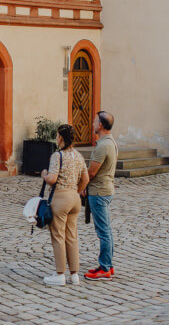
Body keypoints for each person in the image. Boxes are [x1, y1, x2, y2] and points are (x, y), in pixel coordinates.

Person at [41, 124, 89, 286]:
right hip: (74, 199)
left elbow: (53, 179)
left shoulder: (58, 156)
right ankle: (74, 274)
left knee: (58, 236)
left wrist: (44, 174)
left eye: (57, 135)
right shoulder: (78, 155)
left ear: (60, 137)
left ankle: (60, 273)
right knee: (72, 236)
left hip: (60, 198)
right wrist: (77, 191)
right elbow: (86, 179)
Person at [83, 111, 118, 281]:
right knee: (106, 231)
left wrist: (80, 187)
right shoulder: (109, 142)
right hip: (105, 190)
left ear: (101, 125)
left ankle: (104, 268)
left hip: (99, 192)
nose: (92, 123)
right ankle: (107, 265)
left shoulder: (104, 145)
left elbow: (91, 172)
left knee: (103, 232)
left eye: (95, 121)